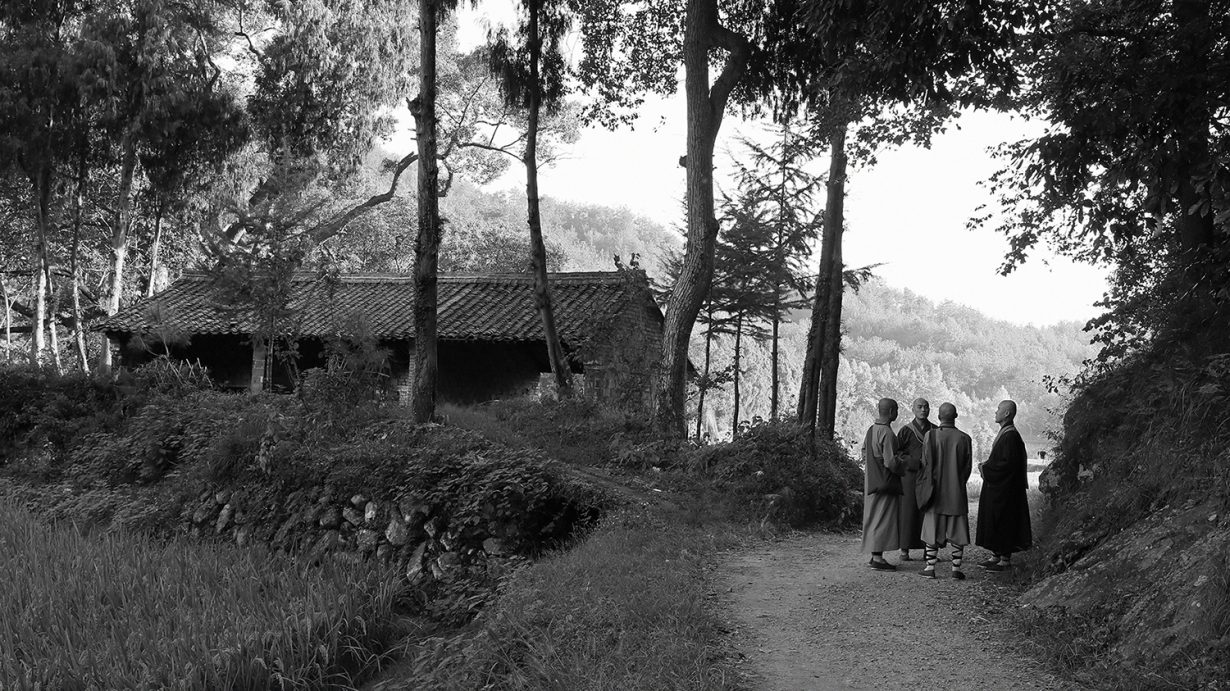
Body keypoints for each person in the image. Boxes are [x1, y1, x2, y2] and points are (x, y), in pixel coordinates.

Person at [975, 399, 1034, 571]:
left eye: (999, 409)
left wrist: (985, 468)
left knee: (1004, 520)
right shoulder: (1006, 433)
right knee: (994, 518)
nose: (996, 411)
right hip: (999, 487)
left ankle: (1005, 560)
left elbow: (1007, 464)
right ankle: (996, 555)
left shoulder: (1011, 436)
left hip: (1006, 490)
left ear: (1007, 413)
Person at [917, 402, 973, 580]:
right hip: (956, 493)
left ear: (939, 417)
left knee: (932, 531)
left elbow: (924, 463)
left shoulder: (930, 436)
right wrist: (957, 481)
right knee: (957, 533)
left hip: (935, 493)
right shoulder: (965, 438)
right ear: (955, 416)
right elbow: (967, 468)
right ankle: (956, 569)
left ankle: (930, 567)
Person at [861, 398, 906, 570]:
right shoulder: (887, 433)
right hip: (885, 482)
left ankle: (875, 556)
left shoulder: (871, 430)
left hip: (872, 480)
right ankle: (878, 559)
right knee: (883, 518)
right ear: (892, 411)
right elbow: (890, 462)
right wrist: (902, 465)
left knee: (873, 517)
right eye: (897, 410)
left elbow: (864, 452)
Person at [894, 398, 934, 561]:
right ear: (913, 409)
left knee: (927, 513)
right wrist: (912, 462)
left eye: (926, 407)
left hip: (928, 477)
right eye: (919, 407)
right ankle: (905, 549)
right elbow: (897, 454)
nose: (923, 410)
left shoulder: (935, 430)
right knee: (907, 512)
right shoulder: (905, 431)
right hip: (909, 477)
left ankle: (929, 550)